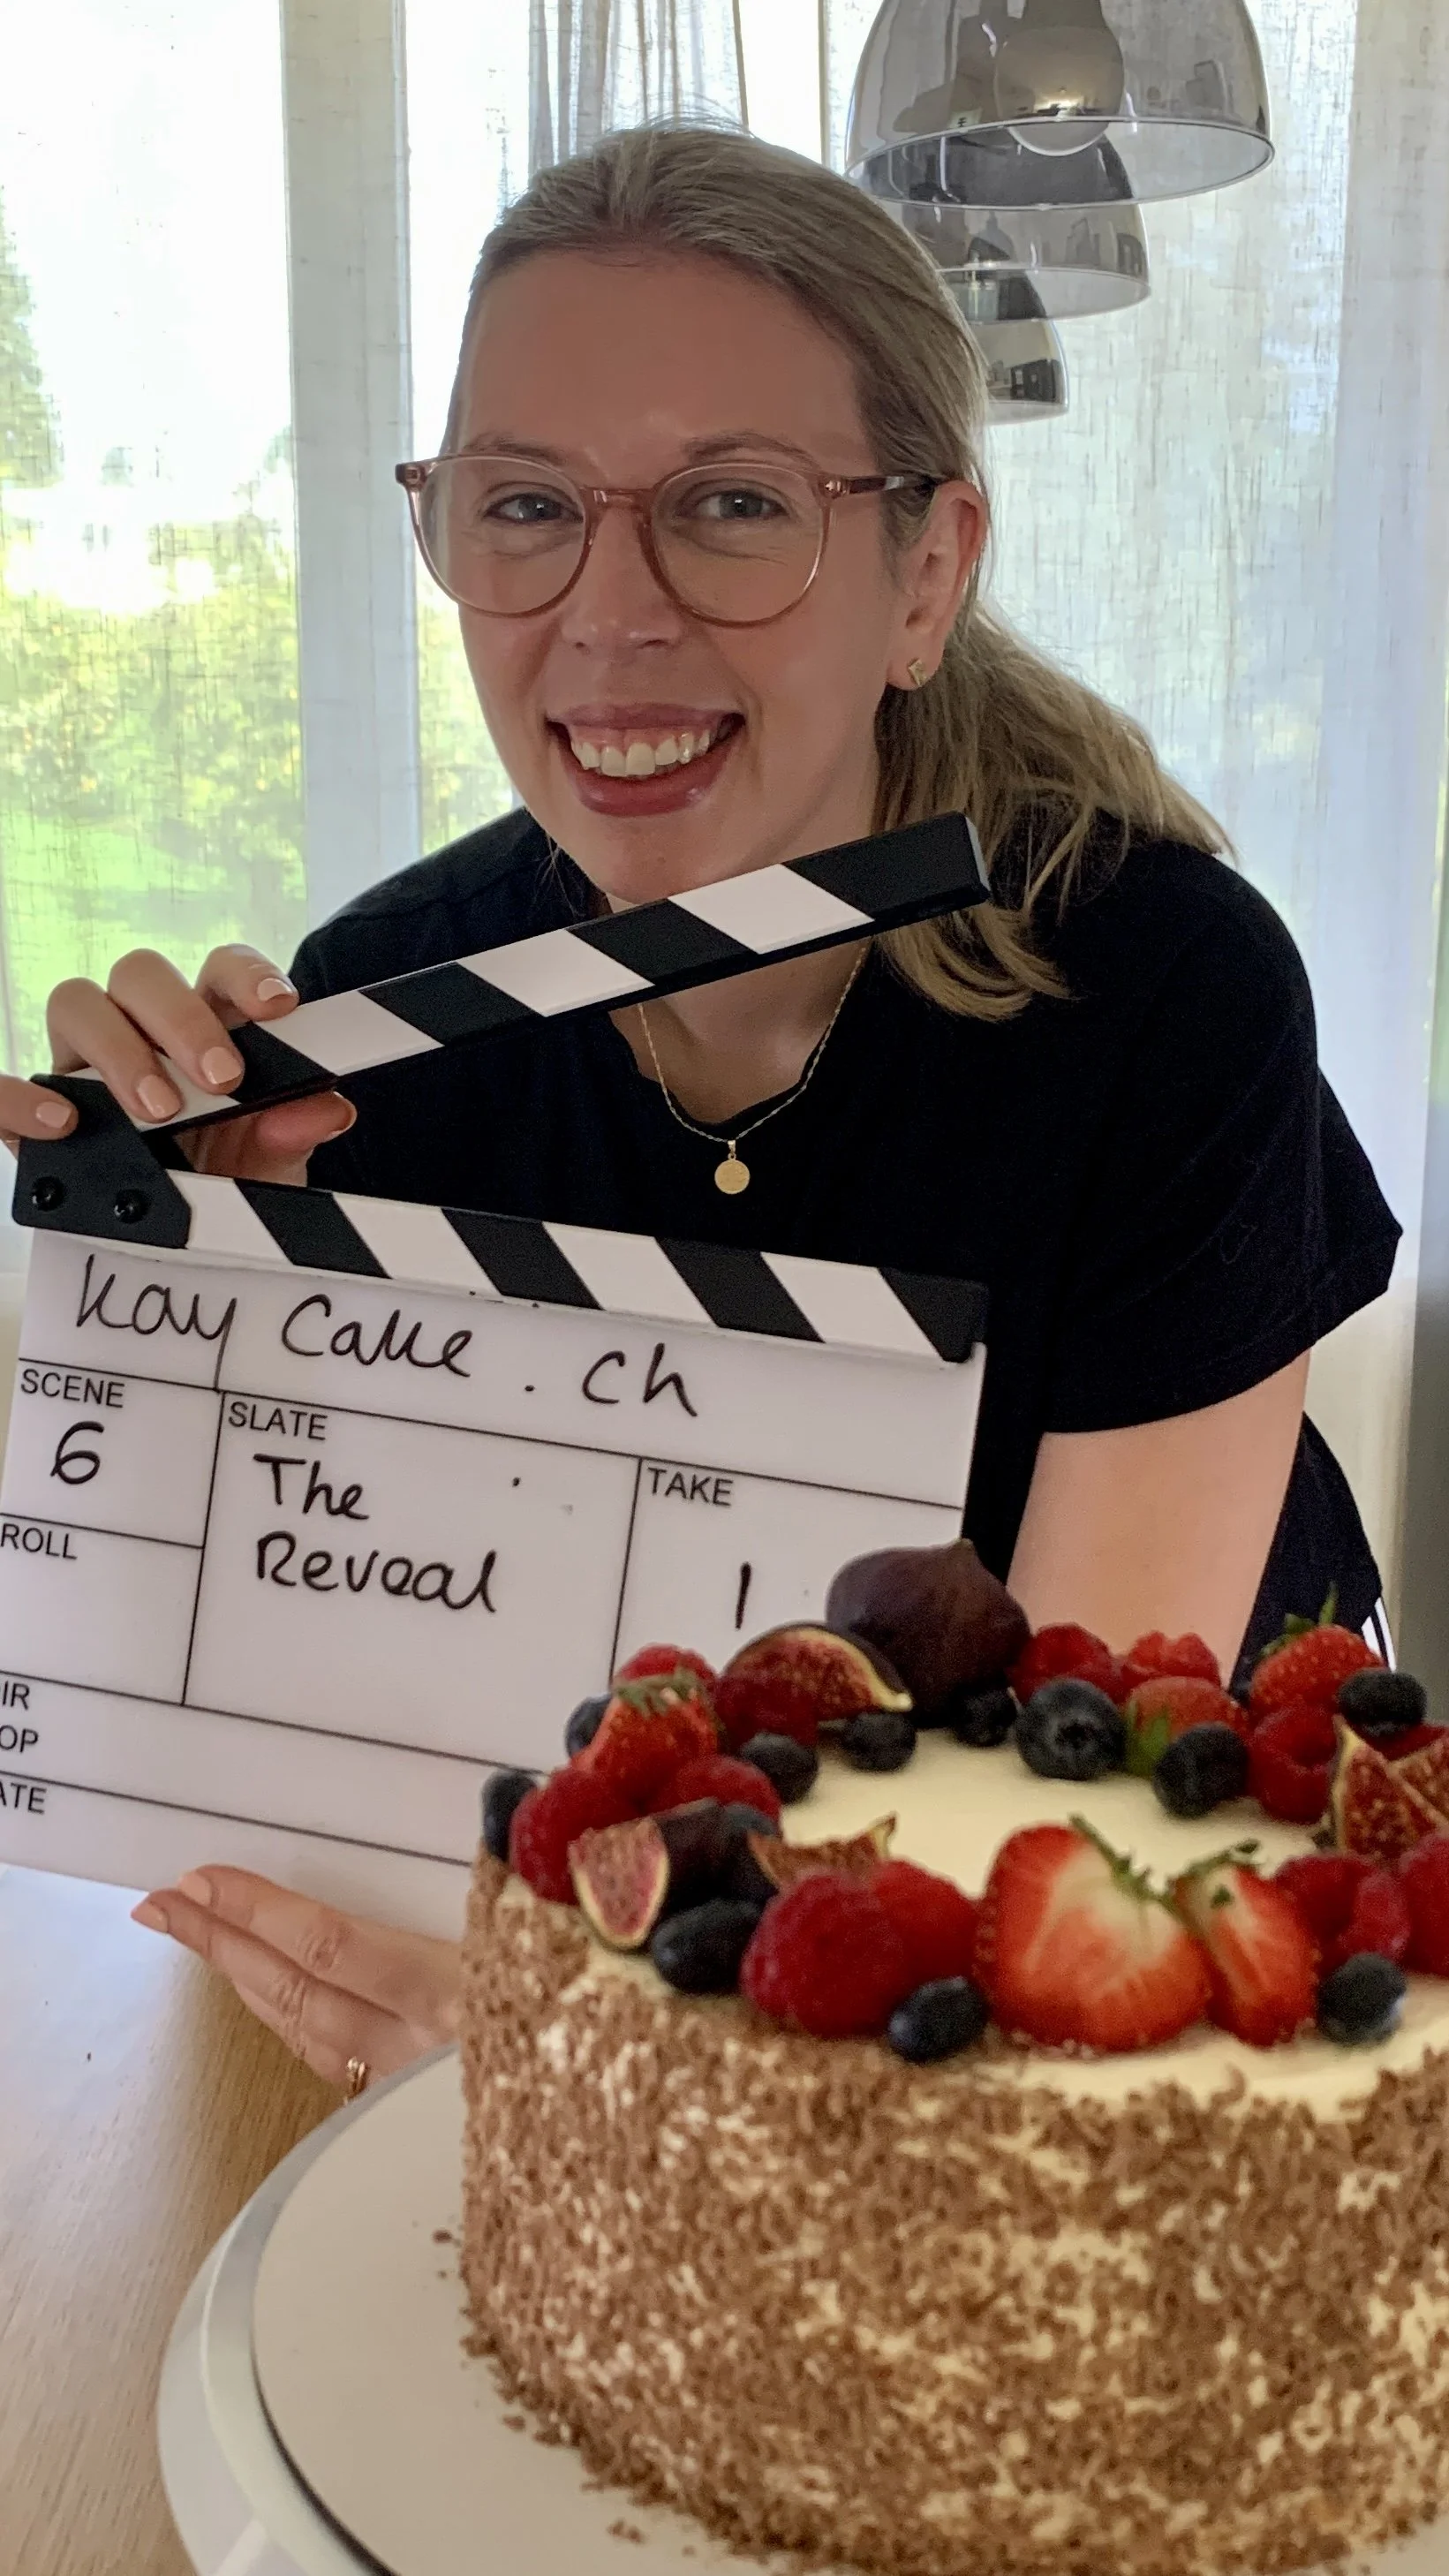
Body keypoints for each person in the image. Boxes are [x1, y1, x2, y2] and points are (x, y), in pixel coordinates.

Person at [0, 125, 1399, 2091]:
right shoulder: (389, 1012)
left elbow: (1078, 1799)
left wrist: (599, 2062)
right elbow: (304, 1725)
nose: (608, 611)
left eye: (733, 505)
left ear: (928, 570)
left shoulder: (1162, 987)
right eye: (522, 504)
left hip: (1152, 1978)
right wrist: (185, 1297)